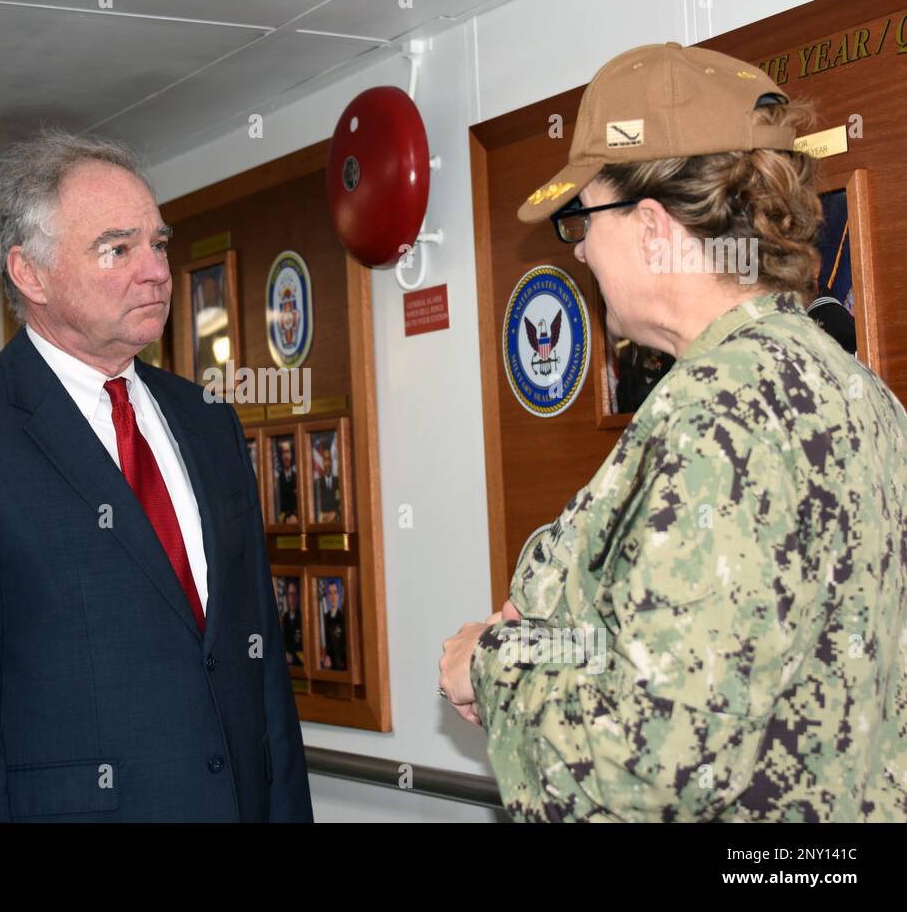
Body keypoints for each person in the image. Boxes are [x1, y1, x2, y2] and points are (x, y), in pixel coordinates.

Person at [439, 42, 907, 821]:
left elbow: (656, 755)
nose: (580, 246)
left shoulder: (716, 421)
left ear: (653, 227)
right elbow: (666, 653)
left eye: (582, 219)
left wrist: (488, 665)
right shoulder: (860, 393)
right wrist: (516, 647)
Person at [0, 126, 312, 822]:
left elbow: (261, 676)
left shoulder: (208, 422)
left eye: (159, 243)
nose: (155, 271)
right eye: (118, 248)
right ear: (31, 273)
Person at [320, 580, 347, 672]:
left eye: (335, 592)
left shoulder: (343, 618)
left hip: (341, 666)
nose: (333, 596)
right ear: (327, 597)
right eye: (330, 593)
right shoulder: (324, 618)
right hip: (327, 666)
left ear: (339, 595)